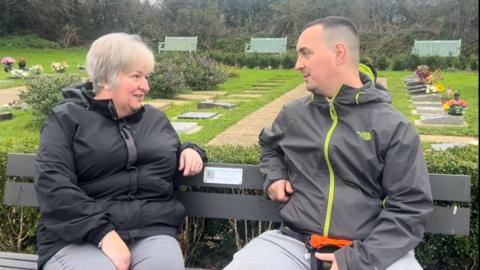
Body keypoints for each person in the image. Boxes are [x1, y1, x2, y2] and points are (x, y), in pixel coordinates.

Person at [224, 16, 432, 270]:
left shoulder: (393, 127)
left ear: (339, 53)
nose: (297, 65)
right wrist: (275, 176)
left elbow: (411, 206)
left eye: (305, 53)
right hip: (295, 244)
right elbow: (270, 147)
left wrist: (358, 260)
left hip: (370, 250)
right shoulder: (293, 115)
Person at [35, 33, 207, 270]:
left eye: (146, 77)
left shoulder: (155, 119)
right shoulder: (65, 120)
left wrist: (191, 150)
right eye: (136, 76)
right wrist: (102, 233)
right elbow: (53, 185)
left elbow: (170, 158)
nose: (145, 86)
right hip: (77, 236)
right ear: (106, 78)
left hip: (151, 233)